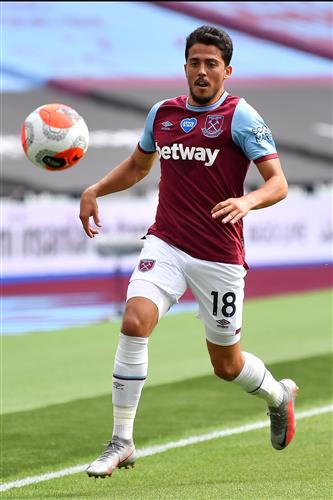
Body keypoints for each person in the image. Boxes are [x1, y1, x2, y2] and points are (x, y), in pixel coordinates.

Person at [80, 25, 298, 479]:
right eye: (195, 63)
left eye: (211, 64)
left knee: (226, 364)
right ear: (185, 67)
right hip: (167, 243)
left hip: (219, 257)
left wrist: (246, 201)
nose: (202, 71)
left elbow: (278, 183)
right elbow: (140, 166)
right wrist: (97, 188)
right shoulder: (163, 113)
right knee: (134, 321)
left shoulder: (241, 116)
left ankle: (278, 397)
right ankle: (121, 440)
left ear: (227, 70)